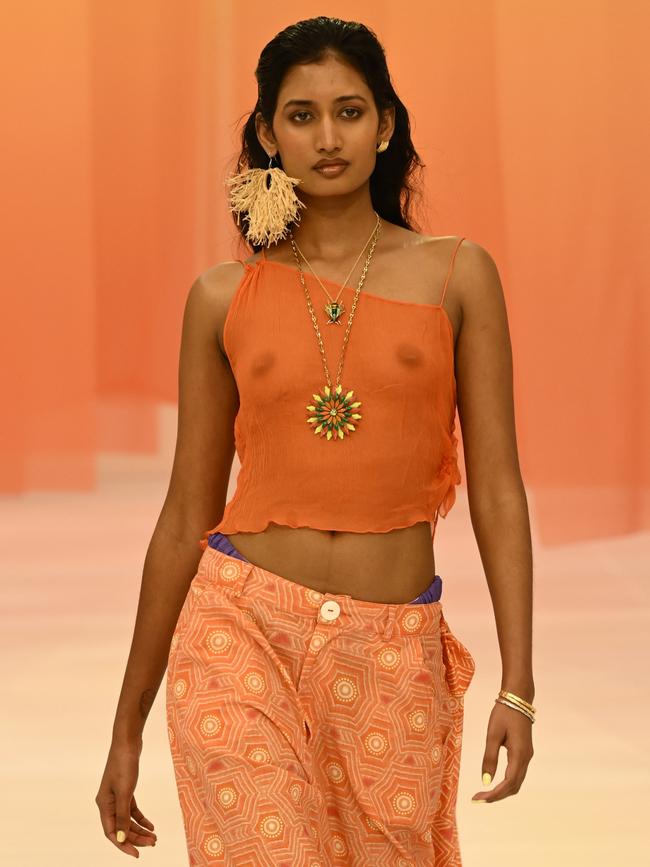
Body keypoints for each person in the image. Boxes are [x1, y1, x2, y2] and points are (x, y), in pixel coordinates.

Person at [95, 15, 535, 865]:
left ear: (387, 123)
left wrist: (518, 683)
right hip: (239, 628)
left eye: (349, 111)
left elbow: (500, 488)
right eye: (300, 116)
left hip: (393, 654)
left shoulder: (457, 274)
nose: (327, 137)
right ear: (267, 134)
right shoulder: (222, 297)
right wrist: (126, 727)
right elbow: (185, 509)